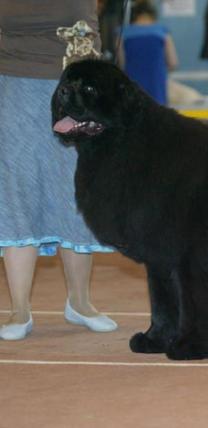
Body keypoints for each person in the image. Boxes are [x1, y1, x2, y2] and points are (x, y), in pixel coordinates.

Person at [0, 0, 117, 340]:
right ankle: (18, 308)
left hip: (72, 90)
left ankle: (80, 303)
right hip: (12, 89)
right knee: (18, 191)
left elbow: (87, 28)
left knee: (75, 196)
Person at [120, 0, 179, 105]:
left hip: (132, 91)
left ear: (134, 15)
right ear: (153, 15)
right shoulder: (162, 32)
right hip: (156, 89)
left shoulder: (122, 34)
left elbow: (121, 64)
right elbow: (173, 63)